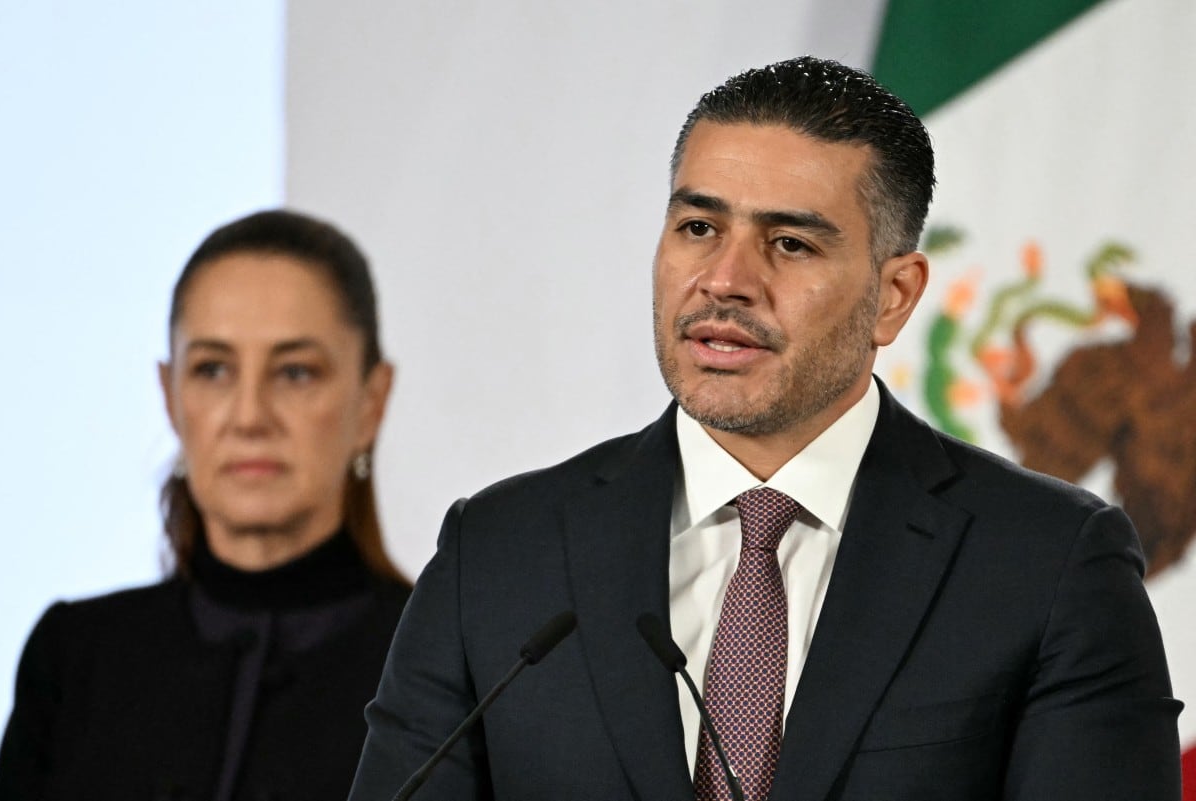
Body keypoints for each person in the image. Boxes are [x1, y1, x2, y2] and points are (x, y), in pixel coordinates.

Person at [347, 57, 1183, 801]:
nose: (724, 280)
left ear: (893, 295)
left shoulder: (1049, 563)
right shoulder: (499, 554)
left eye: (789, 243)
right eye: (699, 228)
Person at [0, 209, 411, 801]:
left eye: (295, 372)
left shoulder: (448, 674)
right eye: (213, 369)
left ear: (371, 401)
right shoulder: (74, 660)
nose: (248, 417)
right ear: (170, 397)